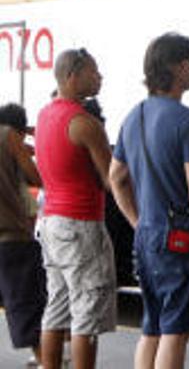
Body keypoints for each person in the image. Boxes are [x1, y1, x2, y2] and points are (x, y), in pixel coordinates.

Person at [109, 32, 189, 369]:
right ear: (173, 67)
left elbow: (116, 177)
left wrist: (138, 221)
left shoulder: (134, 117)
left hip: (146, 236)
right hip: (179, 241)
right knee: (176, 330)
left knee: (153, 326)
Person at [34, 48, 116, 369]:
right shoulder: (84, 123)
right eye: (93, 72)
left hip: (51, 221)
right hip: (81, 224)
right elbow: (111, 179)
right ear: (73, 76)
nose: (99, 77)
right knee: (86, 311)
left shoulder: (44, 115)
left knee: (56, 306)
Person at [0, 103, 45, 366]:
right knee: (26, 304)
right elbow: (36, 175)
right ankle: (45, 361)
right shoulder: (8, 135)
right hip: (11, 236)